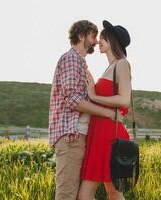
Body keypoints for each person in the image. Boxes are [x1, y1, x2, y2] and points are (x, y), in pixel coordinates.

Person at [49, 20, 119, 200]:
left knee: (77, 194)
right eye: (93, 36)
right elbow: (73, 100)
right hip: (71, 136)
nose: (96, 41)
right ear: (81, 36)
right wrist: (108, 113)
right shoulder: (72, 59)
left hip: (78, 136)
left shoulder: (80, 63)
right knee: (66, 195)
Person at [78, 20, 132, 200]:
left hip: (110, 134)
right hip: (100, 132)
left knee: (105, 193)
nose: (99, 41)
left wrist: (94, 96)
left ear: (113, 41)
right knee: (112, 193)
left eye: (103, 38)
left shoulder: (122, 64)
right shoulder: (109, 68)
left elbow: (124, 100)